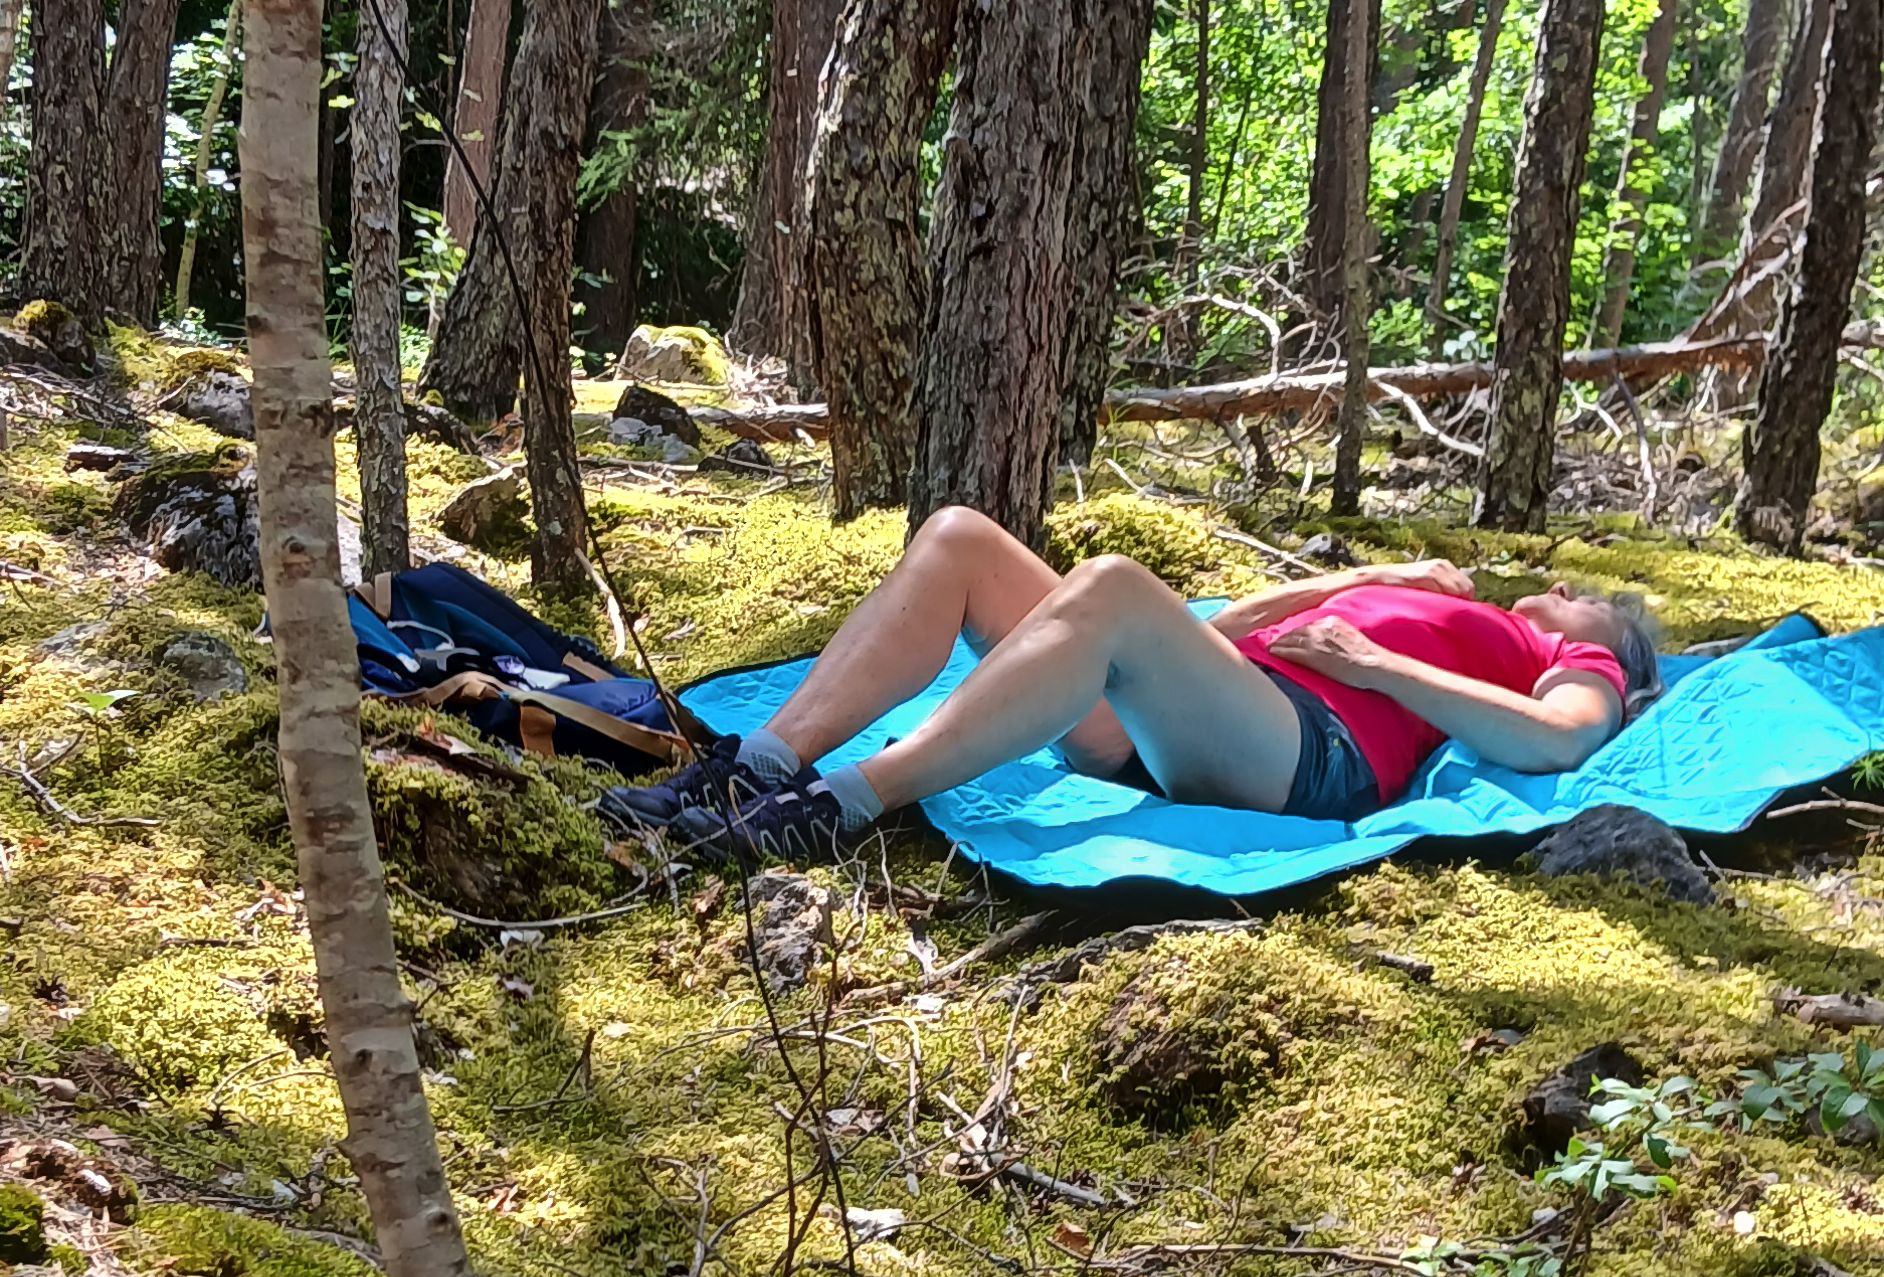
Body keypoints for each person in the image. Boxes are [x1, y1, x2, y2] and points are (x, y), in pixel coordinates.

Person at [602, 506, 1662, 862]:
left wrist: (1379, 665)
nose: (1561, 589)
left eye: (1586, 598)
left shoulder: (1579, 660)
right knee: (961, 537)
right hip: (1205, 711)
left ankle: (838, 806)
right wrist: (1364, 581)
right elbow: (1221, 628)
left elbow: (1559, 739)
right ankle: (759, 764)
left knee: (1109, 586)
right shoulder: (1434, 594)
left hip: (1308, 751)